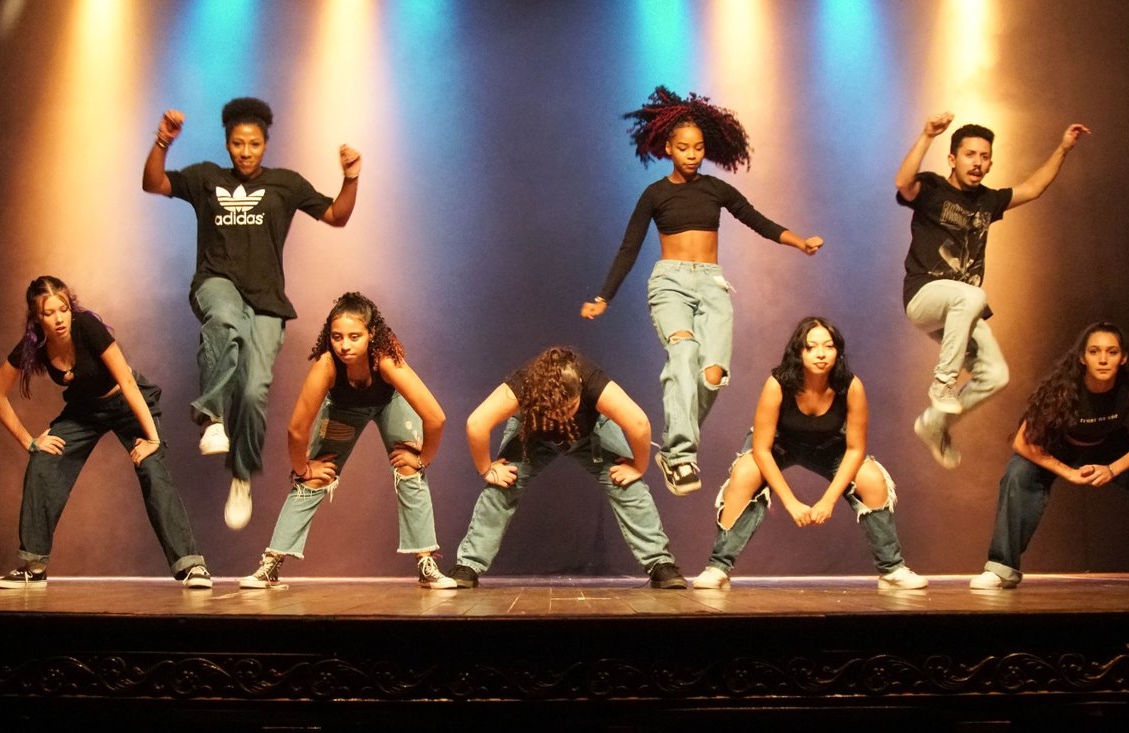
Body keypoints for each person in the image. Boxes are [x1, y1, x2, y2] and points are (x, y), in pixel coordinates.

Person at [581, 86, 824, 496]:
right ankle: (679, 456)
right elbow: (629, 247)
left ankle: (678, 443)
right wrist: (604, 296)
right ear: (668, 149)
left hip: (712, 284)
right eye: (683, 147)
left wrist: (798, 241)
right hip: (670, 282)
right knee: (683, 352)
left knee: (711, 376)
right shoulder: (655, 194)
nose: (692, 154)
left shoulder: (716, 190)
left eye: (698, 147)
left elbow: (756, 219)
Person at [141, 96, 363, 529]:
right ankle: (211, 416)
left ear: (265, 145)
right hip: (216, 282)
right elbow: (154, 184)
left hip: (267, 299)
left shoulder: (285, 184)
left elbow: (336, 216)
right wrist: (162, 143)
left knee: (253, 391)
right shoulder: (206, 177)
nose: (246, 152)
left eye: (254, 144)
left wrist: (351, 177)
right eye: (238, 144)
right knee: (225, 322)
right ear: (227, 144)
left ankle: (241, 476)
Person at [0, 276, 211, 589]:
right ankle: (33, 567)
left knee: (152, 467)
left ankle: (191, 566)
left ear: (70, 306)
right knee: (42, 462)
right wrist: (30, 441)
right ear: (37, 317)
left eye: (63, 309)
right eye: (49, 313)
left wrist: (153, 440)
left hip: (126, 402)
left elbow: (128, 383)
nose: (59, 318)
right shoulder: (33, 345)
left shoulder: (87, 326)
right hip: (83, 410)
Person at [895, 112, 1090, 469]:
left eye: (985, 157)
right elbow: (904, 181)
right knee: (971, 296)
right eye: (970, 155)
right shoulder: (933, 189)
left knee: (996, 375)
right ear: (952, 158)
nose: (978, 163)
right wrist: (926, 135)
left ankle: (934, 424)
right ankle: (942, 385)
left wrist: (1063, 149)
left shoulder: (987, 200)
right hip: (924, 296)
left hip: (959, 311)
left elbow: (1032, 189)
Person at [970, 322, 1129, 590]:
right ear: (1082, 357)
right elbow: (1022, 442)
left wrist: (1112, 469)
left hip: (1107, 445)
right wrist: (1068, 472)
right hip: (1060, 446)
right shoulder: (1063, 388)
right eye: (1094, 351)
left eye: (1112, 352)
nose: (1103, 359)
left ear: (1123, 357)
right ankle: (1001, 570)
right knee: (1018, 474)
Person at [238, 292, 456, 589]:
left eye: (354, 336)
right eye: (337, 336)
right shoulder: (326, 366)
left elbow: (436, 417)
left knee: (409, 471)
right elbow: (296, 430)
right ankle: (270, 564)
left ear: (371, 334)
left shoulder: (387, 362)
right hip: (343, 411)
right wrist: (303, 469)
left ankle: (426, 563)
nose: (344, 345)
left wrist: (422, 459)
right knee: (316, 477)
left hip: (389, 404)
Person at [692, 317, 928, 590]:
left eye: (828, 346)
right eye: (811, 346)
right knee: (745, 473)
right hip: (779, 445)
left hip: (829, 447)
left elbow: (854, 449)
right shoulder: (778, 383)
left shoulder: (850, 386)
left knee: (873, 480)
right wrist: (791, 502)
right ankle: (717, 567)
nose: (820, 353)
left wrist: (827, 501)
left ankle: (892, 569)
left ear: (837, 351)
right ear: (799, 352)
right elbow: (762, 449)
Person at [448, 347, 687, 589]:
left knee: (629, 486)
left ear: (581, 388)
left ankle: (660, 563)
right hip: (532, 436)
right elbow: (476, 424)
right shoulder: (524, 384)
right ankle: (468, 565)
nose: (561, 419)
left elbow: (639, 424)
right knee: (501, 487)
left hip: (592, 434)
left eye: (568, 409)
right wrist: (487, 469)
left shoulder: (592, 381)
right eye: (552, 412)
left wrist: (638, 467)